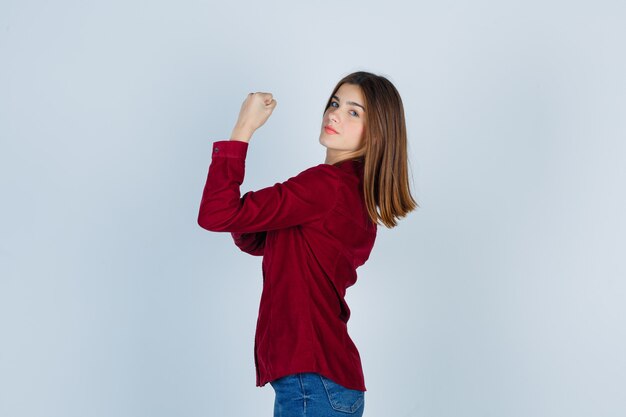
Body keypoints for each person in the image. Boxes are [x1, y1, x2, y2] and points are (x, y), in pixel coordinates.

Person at [198, 71, 417, 417]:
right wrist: (246, 216)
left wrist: (243, 128)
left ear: (375, 134)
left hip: (312, 383)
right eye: (335, 103)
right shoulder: (352, 194)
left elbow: (216, 214)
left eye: (353, 112)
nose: (334, 114)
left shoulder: (325, 186)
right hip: (327, 383)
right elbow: (254, 238)